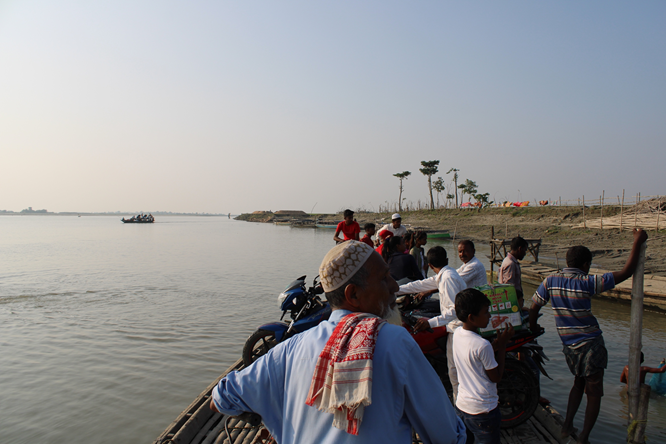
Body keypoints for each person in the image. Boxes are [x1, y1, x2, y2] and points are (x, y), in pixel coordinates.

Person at [209, 241, 466, 444]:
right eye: (384, 278)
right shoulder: (395, 341)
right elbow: (445, 435)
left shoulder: (291, 347)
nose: (394, 287)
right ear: (353, 294)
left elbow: (220, 398)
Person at [529, 228, 648, 444]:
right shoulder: (586, 282)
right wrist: (637, 242)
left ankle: (566, 426)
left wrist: (533, 326)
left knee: (578, 383)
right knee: (594, 391)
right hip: (591, 344)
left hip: (569, 346)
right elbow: (627, 271)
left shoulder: (550, 281)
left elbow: (534, 307)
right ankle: (584, 436)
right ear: (585, 265)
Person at [396, 246, 467, 399]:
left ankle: (459, 407)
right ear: (446, 260)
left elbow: (455, 310)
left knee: (455, 372)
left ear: (429, 265)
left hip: (458, 329)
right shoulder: (445, 274)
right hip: (454, 327)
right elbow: (420, 284)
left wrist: (431, 323)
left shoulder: (448, 278)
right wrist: (396, 289)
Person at [453, 288, 515, 444]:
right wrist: (502, 347)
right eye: (486, 312)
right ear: (472, 318)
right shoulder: (482, 345)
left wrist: (495, 346)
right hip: (483, 410)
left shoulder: (458, 333)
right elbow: (496, 377)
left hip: (463, 406)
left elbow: (474, 356)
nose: (489, 316)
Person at [498, 236, 528, 308]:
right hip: (511, 304)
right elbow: (508, 289)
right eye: (525, 250)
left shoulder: (507, 260)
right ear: (520, 249)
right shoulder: (510, 264)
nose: (525, 253)